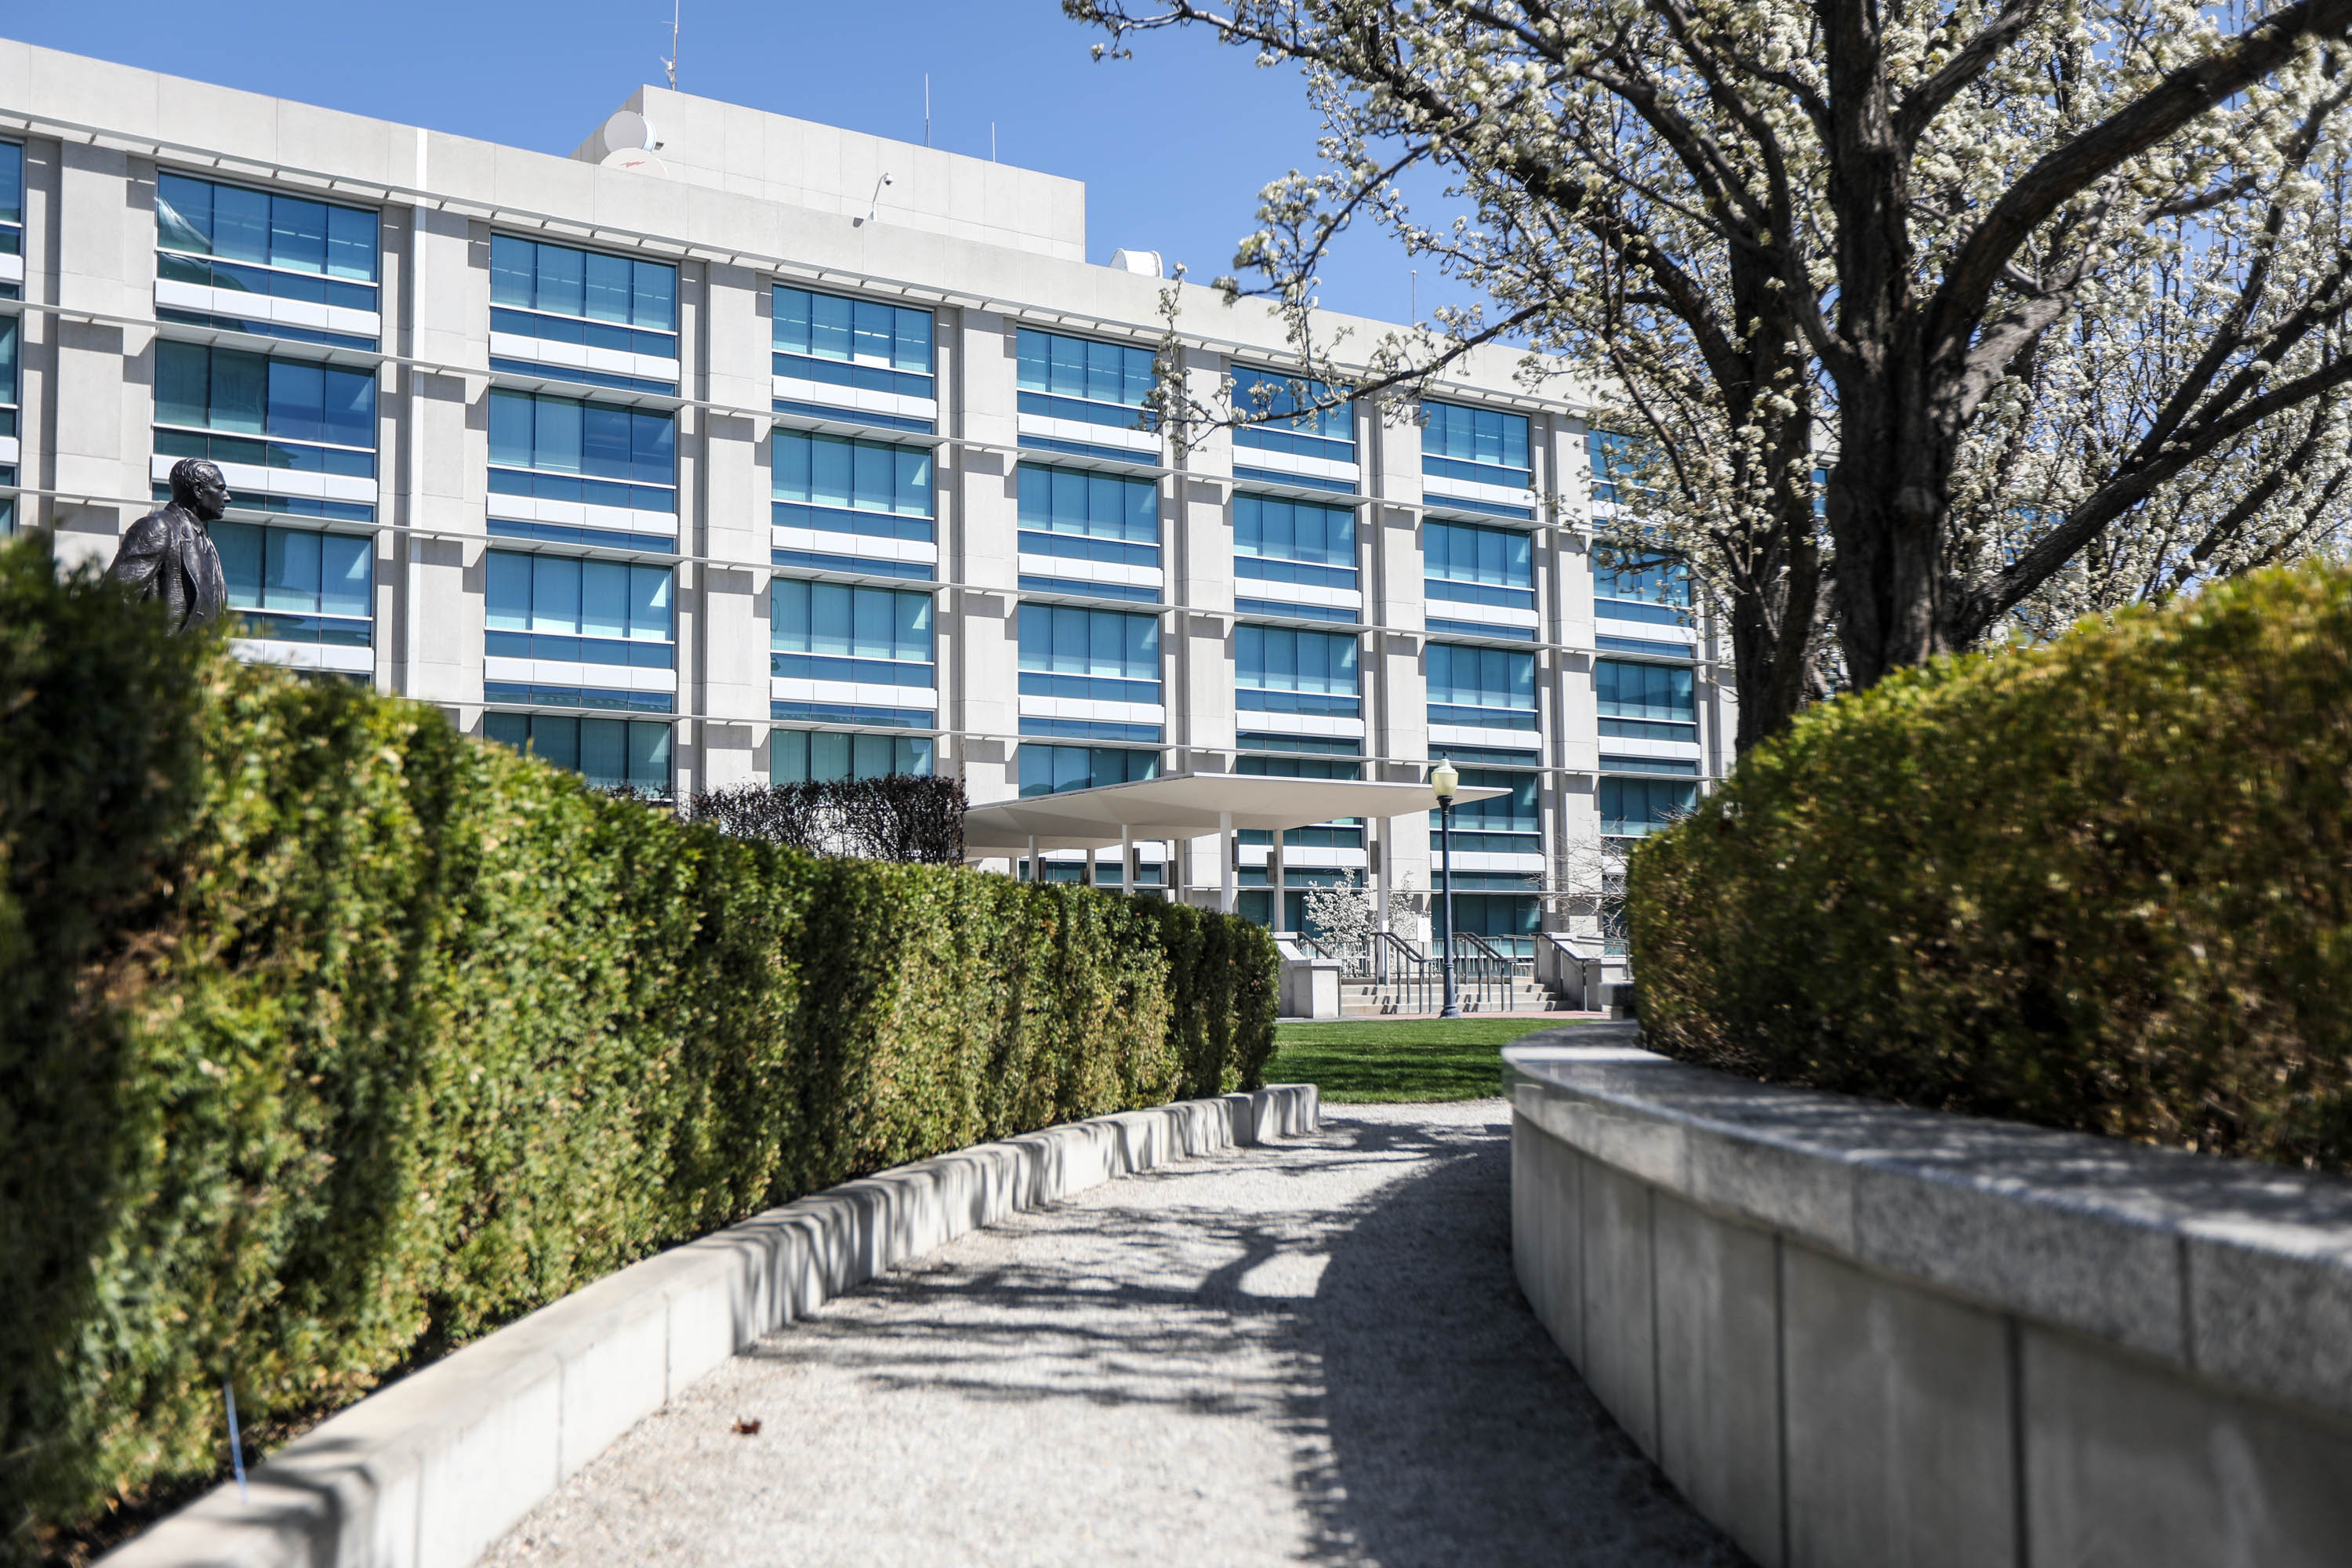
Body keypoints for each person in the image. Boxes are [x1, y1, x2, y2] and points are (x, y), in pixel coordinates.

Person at [109, 456, 230, 633]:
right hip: (164, 655)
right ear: (198, 490)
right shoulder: (158, 527)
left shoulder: (207, 542)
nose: (227, 498)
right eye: (220, 489)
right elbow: (116, 597)